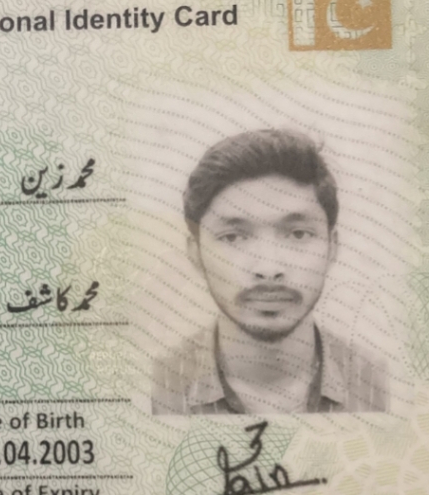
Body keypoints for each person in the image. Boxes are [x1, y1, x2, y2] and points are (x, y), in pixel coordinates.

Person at [152, 129, 387, 415]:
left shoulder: (385, 387)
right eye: (233, 237)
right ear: (196, 254)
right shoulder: (151, 388)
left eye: (298, 234)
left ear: (332, 248)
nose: (269, 268)